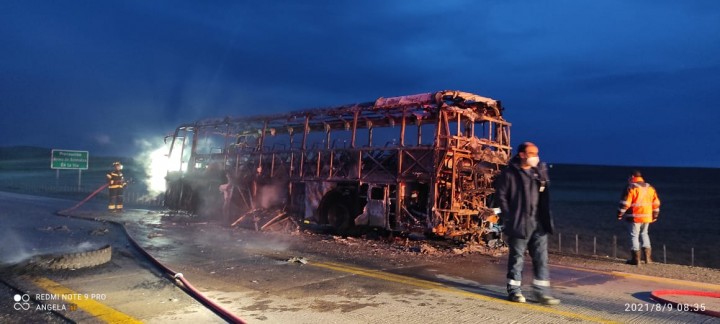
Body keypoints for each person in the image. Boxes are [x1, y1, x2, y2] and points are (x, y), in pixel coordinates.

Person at [494, 142, 560, 305]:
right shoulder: (509, 173)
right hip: (519, 222)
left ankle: (542, 292)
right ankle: (514, 291)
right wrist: (509, 216)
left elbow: (545, 194)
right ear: (522, 154)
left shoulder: (539, 171)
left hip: (538, 223)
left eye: (537, 153)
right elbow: (501, 196)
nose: (535, 157)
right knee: (517, 258)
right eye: (532, 153)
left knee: (541, 258)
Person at [617, 170, 660, 265]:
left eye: (629, 178)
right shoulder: (650, 187)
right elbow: (656, 203)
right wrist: (655, 215)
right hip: (647, 217)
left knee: (634, 235)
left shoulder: (631, 187)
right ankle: (648, 259)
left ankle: (636, 260)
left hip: (634, 216)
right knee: (645, 234)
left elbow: (625, 203)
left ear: (632, 176)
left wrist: (619, 214)